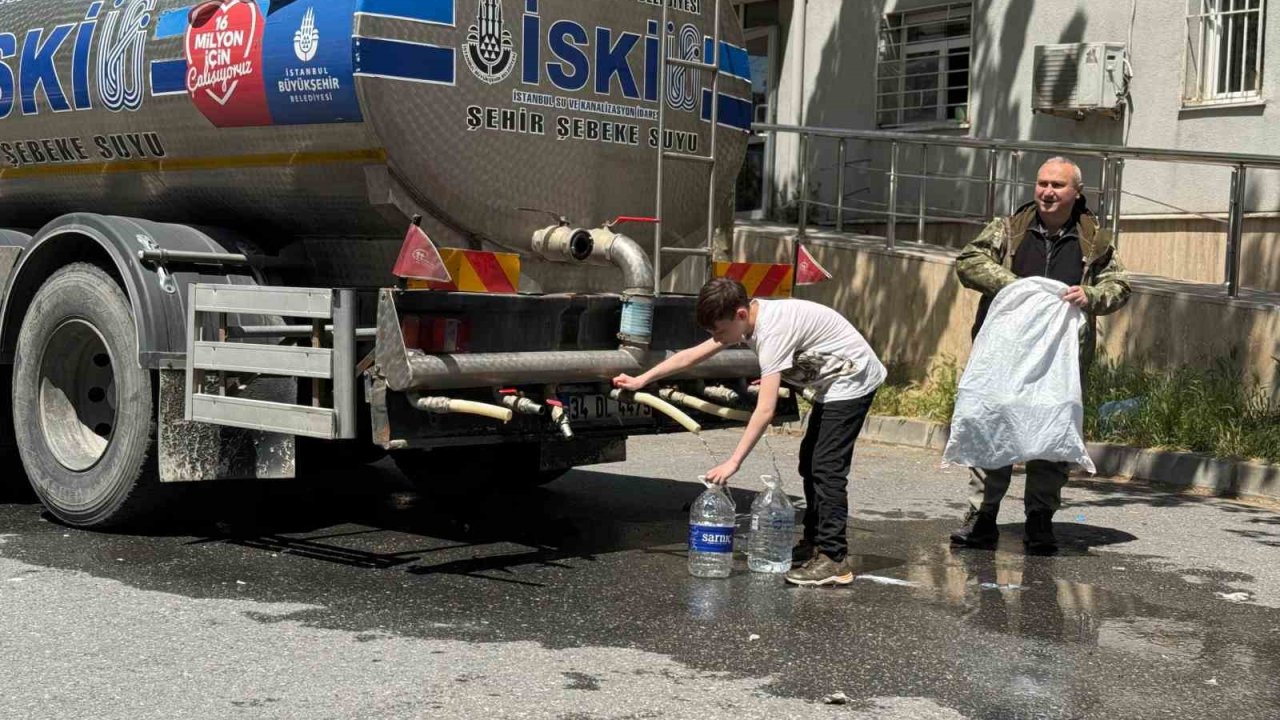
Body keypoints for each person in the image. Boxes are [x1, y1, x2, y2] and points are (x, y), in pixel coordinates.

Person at [613, 278, 886, 586]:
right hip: (830, 381)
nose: (717, 338)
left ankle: (834, 559)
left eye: (720, 331)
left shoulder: (772, 332)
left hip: (853, 379)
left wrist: (734, 462)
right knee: (809, 461)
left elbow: (765, 411)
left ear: (741, 314)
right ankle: (816, 542)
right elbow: (692, 355)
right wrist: (642, 379)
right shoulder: (746, 321)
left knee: (826, 467)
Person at [950, 156, 1131, 553]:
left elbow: (1119, 285)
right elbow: (968, 262)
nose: (1048, 192)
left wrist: (1092, 295)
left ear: (1076, 193)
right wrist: (1017, 286)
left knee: (1051, 435)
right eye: (1042, 183)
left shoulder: (1094, 238)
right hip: (1005, 353)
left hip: (1060, 358)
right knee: (992, 426)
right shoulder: (1009, 229)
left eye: (1058, 186)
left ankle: (1039, 520)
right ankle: (982, 517)